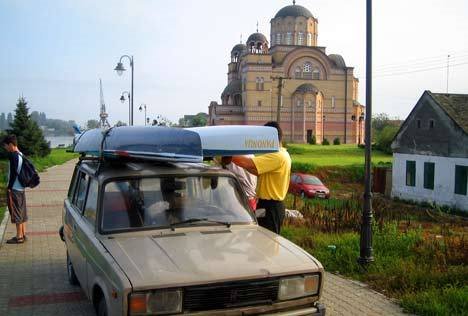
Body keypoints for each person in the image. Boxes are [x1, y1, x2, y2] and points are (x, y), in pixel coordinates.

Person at [232, 121, 291, 234]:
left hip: (271, 207)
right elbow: (256, 170)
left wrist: (229, 156)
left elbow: (249, 163)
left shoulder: (277, 156)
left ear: (271, 137)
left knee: (268, 241)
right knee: (263, 238)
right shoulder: (283, 154)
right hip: (269, 205)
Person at [2, 135, 28, 244]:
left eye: (6, 146)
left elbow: (13, 174)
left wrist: (9, 188)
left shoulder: (13, 156)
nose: (5, 148)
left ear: (11, 145)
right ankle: (23, 234)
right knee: (22, 212)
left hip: (15, 189)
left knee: (16, 212)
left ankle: (19, 237)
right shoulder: (21, 154)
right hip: (21, 188)